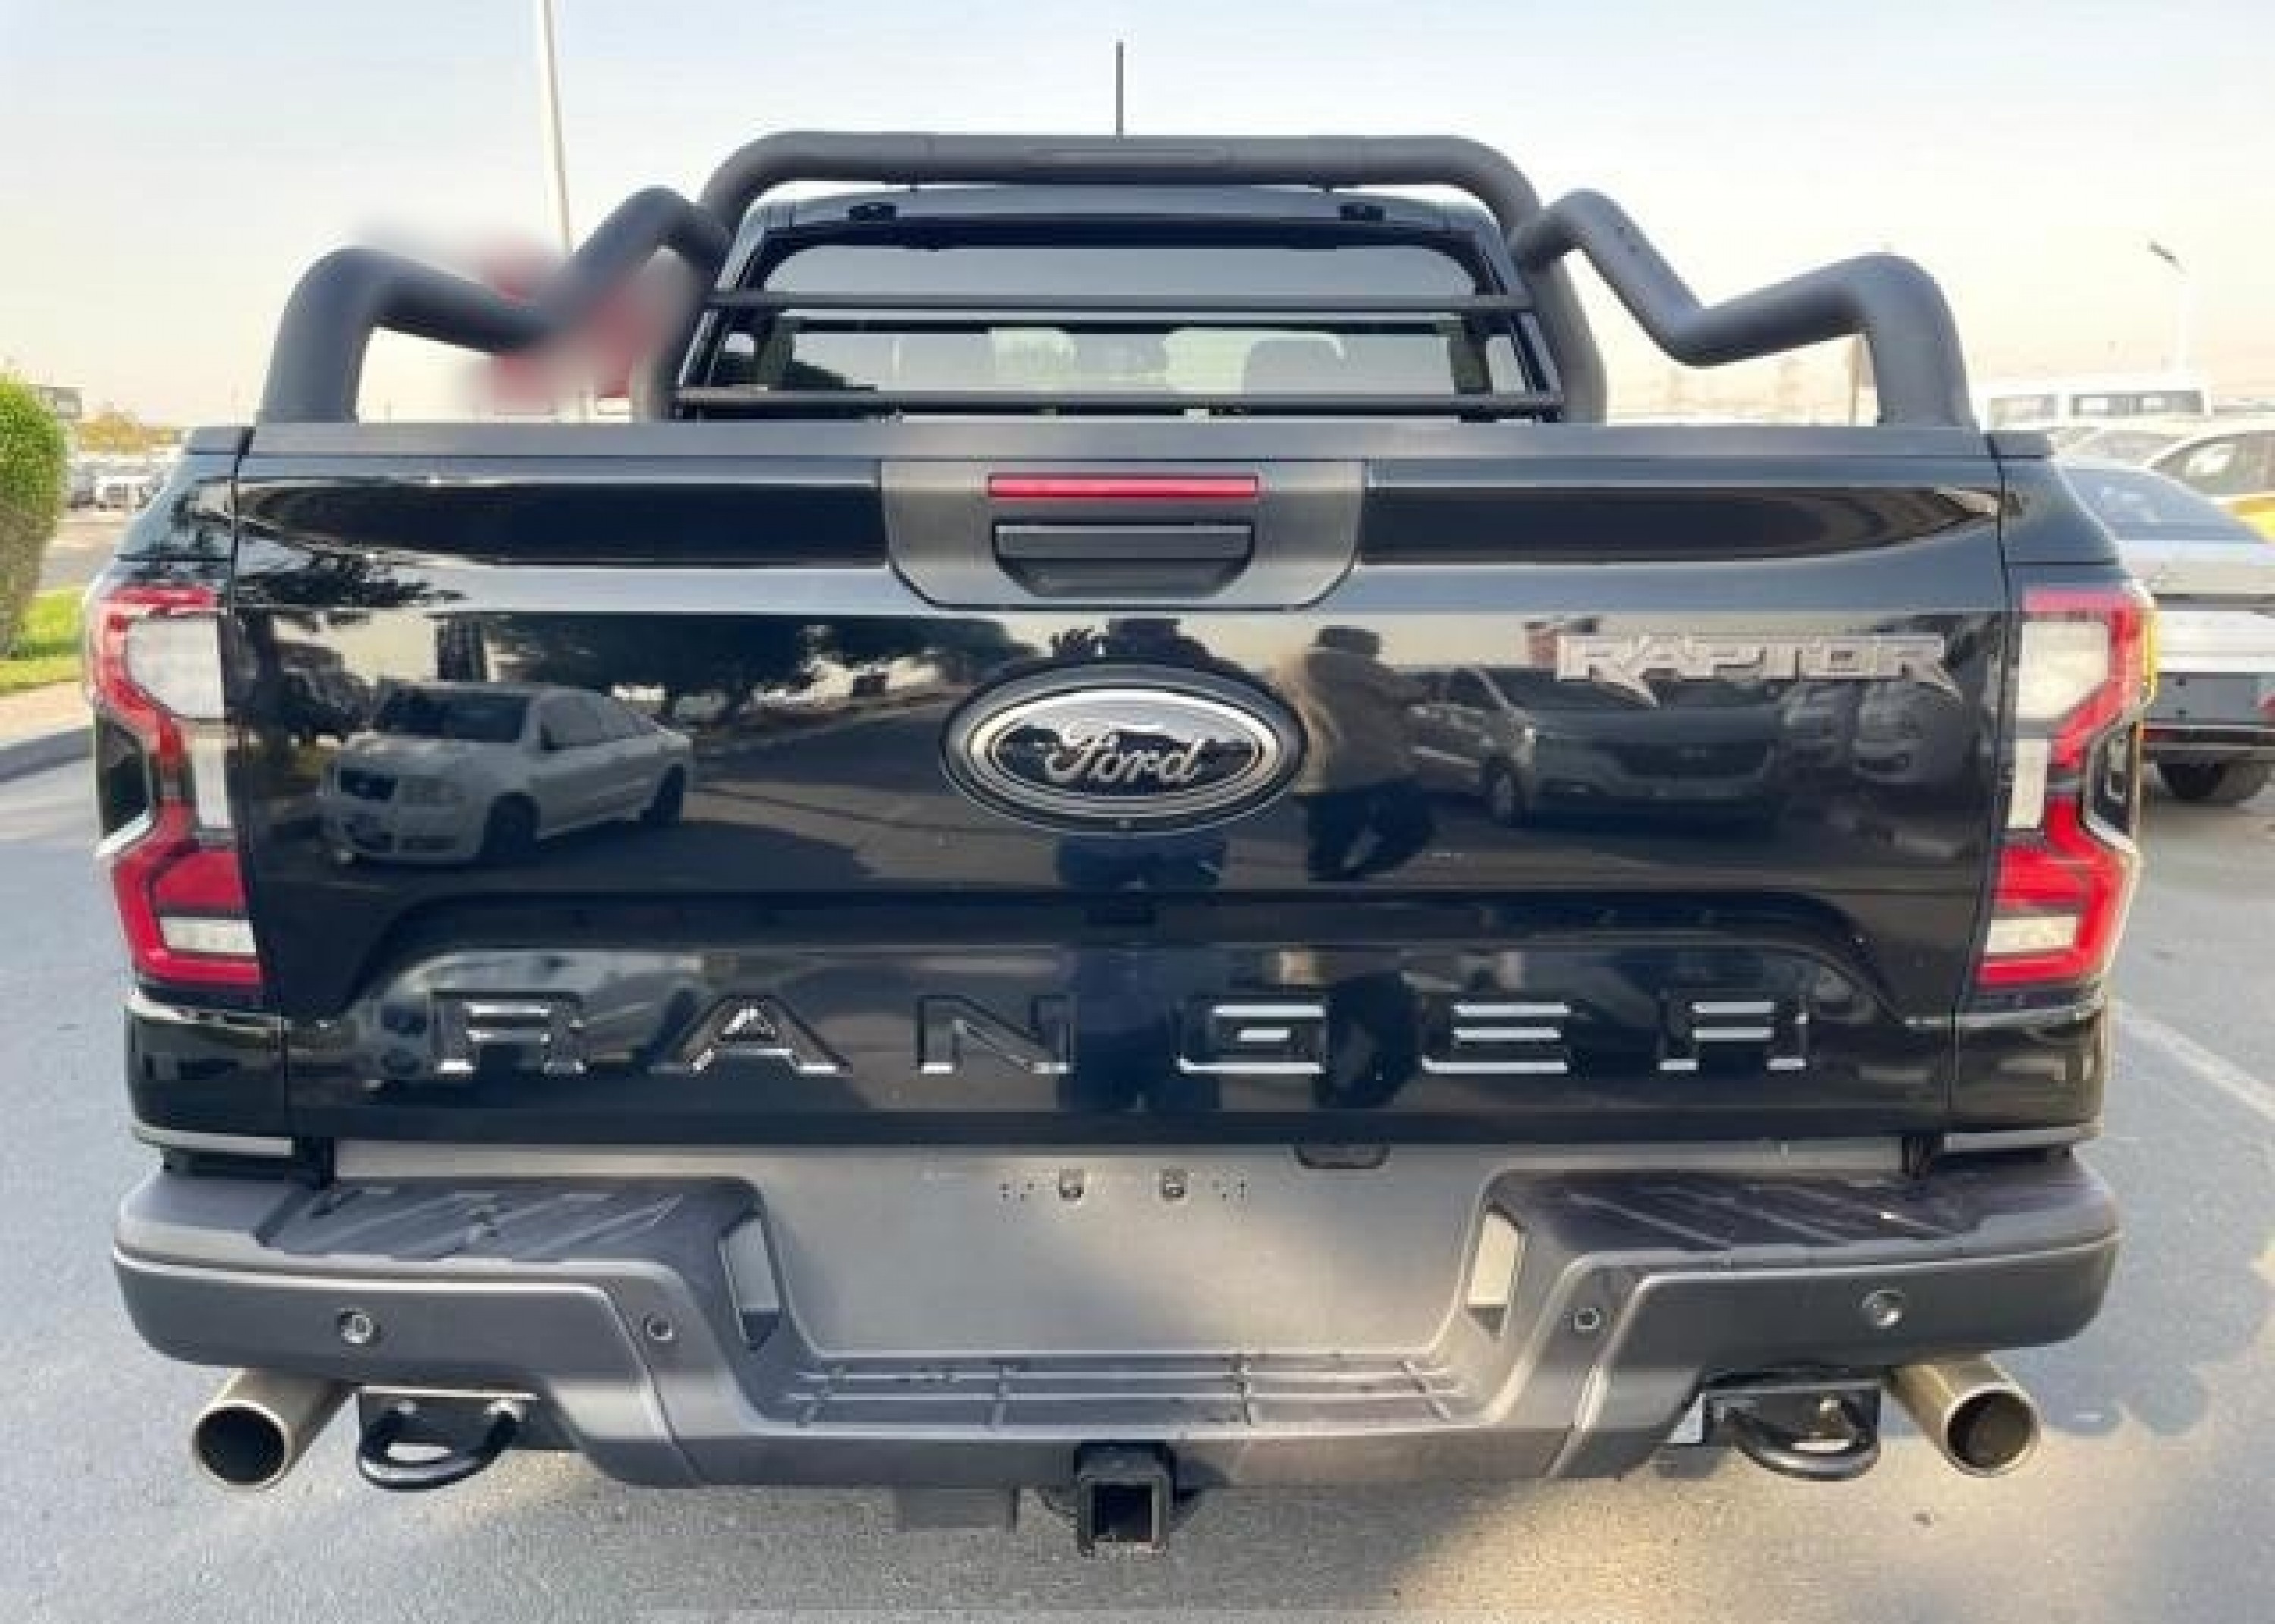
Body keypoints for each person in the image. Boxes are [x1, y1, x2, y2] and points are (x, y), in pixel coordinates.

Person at [1276, 627, 1435, 880]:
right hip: (1369, 761)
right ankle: (1359, 876)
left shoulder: (1287, 665)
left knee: (1331, 843)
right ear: (1352, 643)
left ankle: (1330, 887)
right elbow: (1415, 691)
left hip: (1313, 768)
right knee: (1414, 828)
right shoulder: (1340, 660)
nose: (1375, 656)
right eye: (1372, 650)